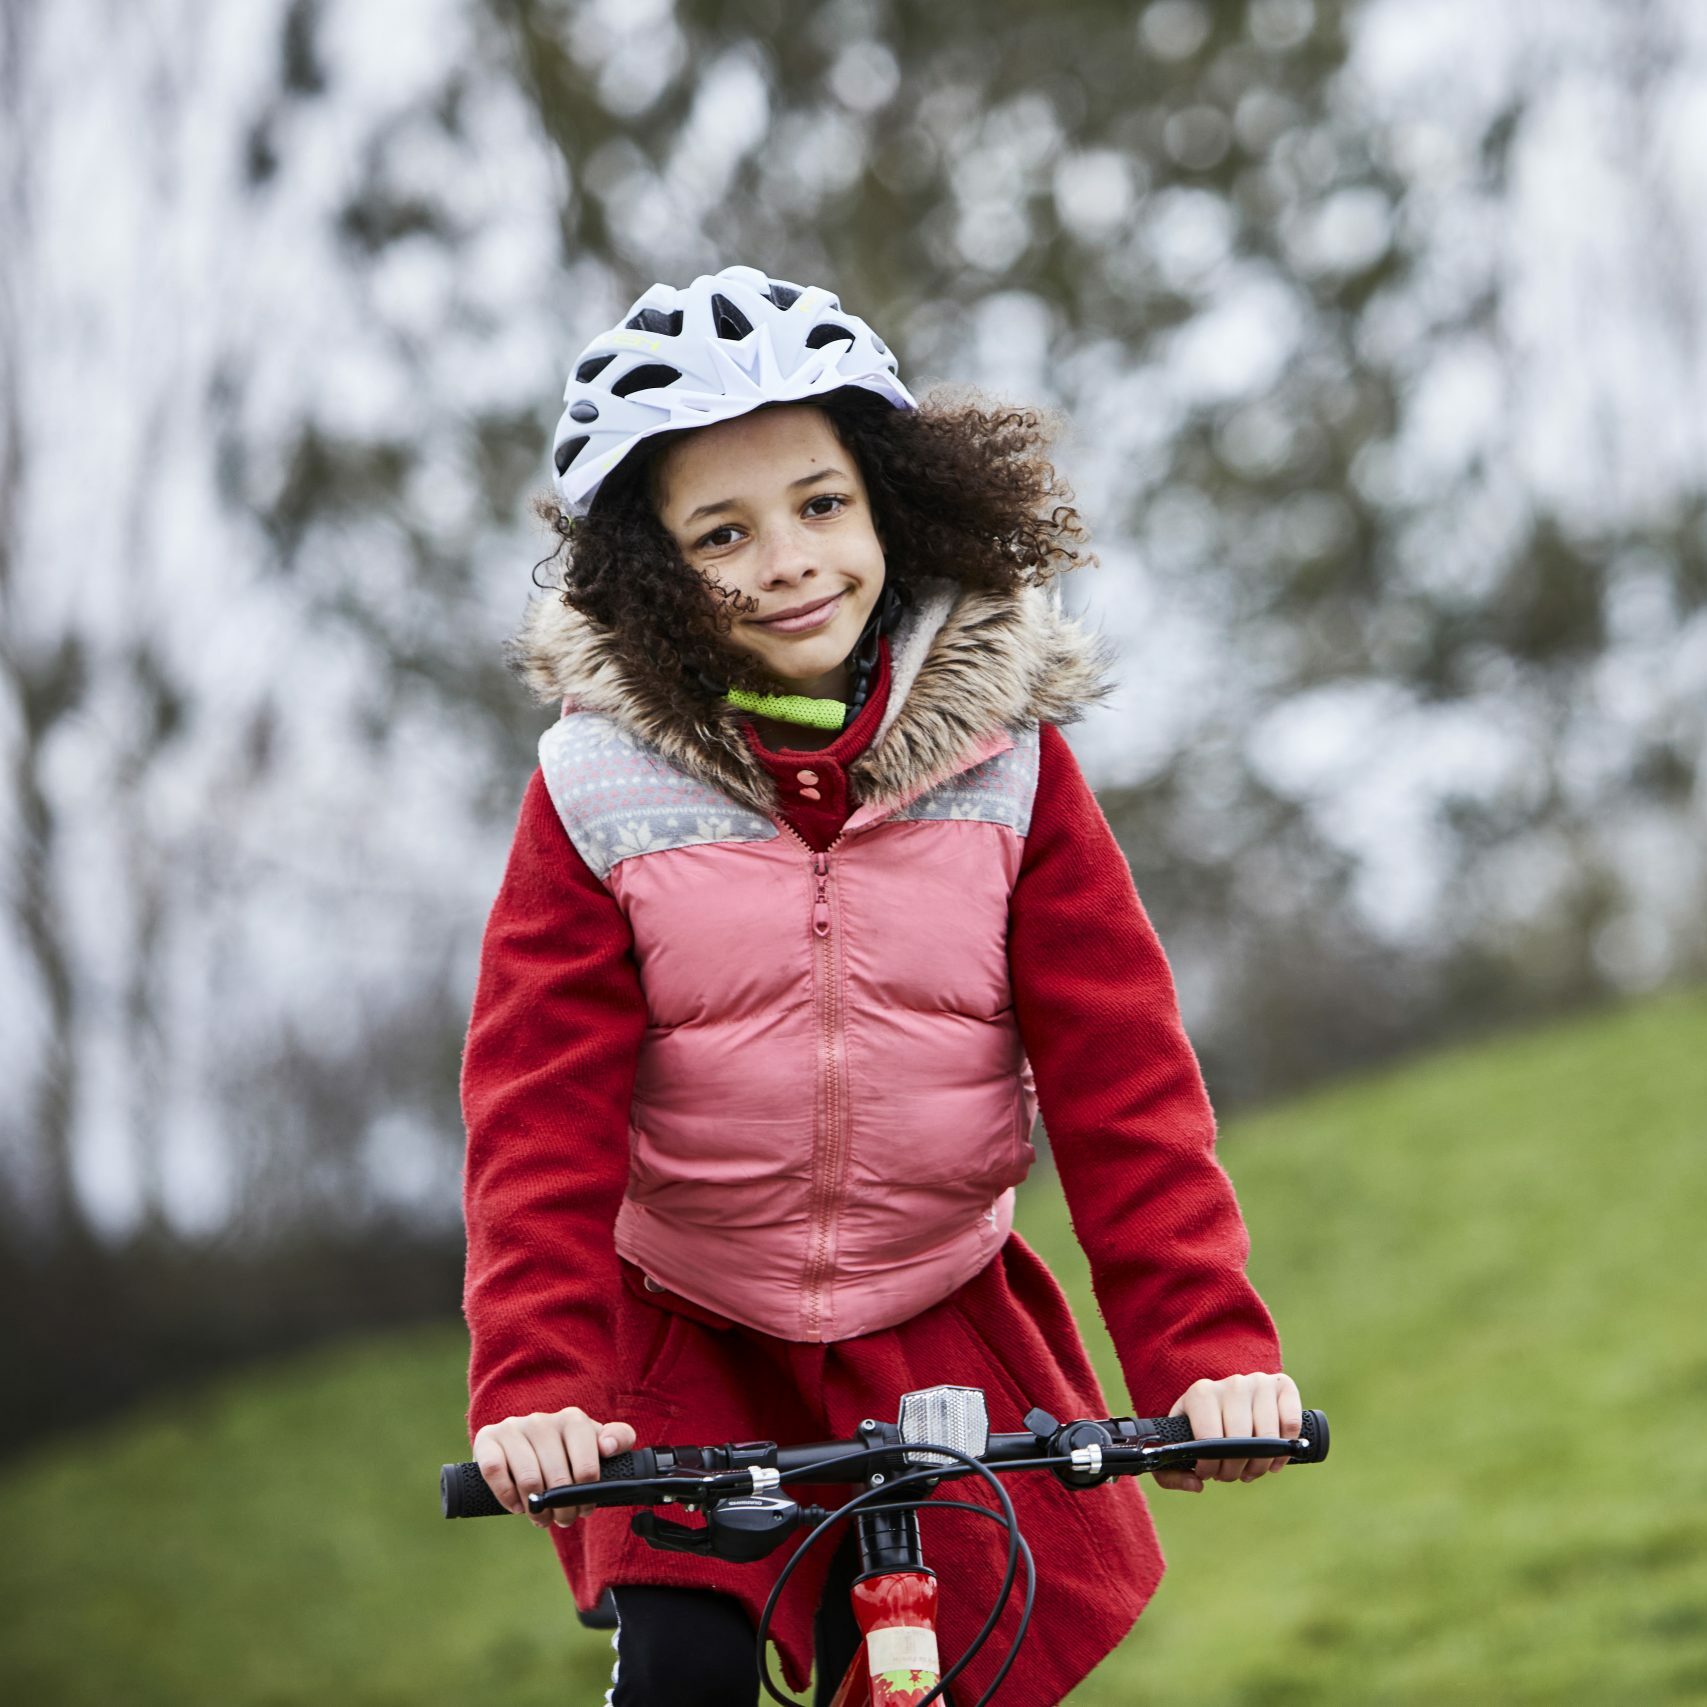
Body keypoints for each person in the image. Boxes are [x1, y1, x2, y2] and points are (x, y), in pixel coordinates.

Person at [460, 264, 1298, 1707]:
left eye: (821, 503)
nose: (788, 559)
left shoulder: (1013, 767)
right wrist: (539, 1378)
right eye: (723, 533)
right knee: (685, 1666)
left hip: (934, 1308)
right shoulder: (597, 788)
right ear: (655, 573)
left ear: (894, 502)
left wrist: (1204, 1348)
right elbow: (539, 1115)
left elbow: (1125, 1084)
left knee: (947, 1662)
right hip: (686, 1324)